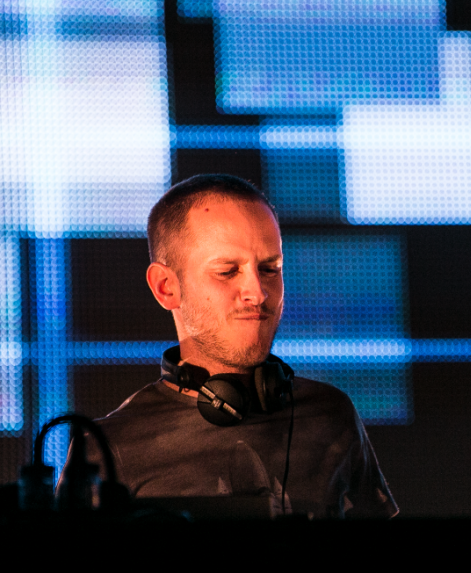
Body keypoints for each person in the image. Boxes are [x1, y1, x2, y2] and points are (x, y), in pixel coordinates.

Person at [84, 174, 398, 519]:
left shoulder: (332, 415)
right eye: (227, 271)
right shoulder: (109, 448)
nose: (258, 293)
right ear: (166, 287)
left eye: (270, 269)